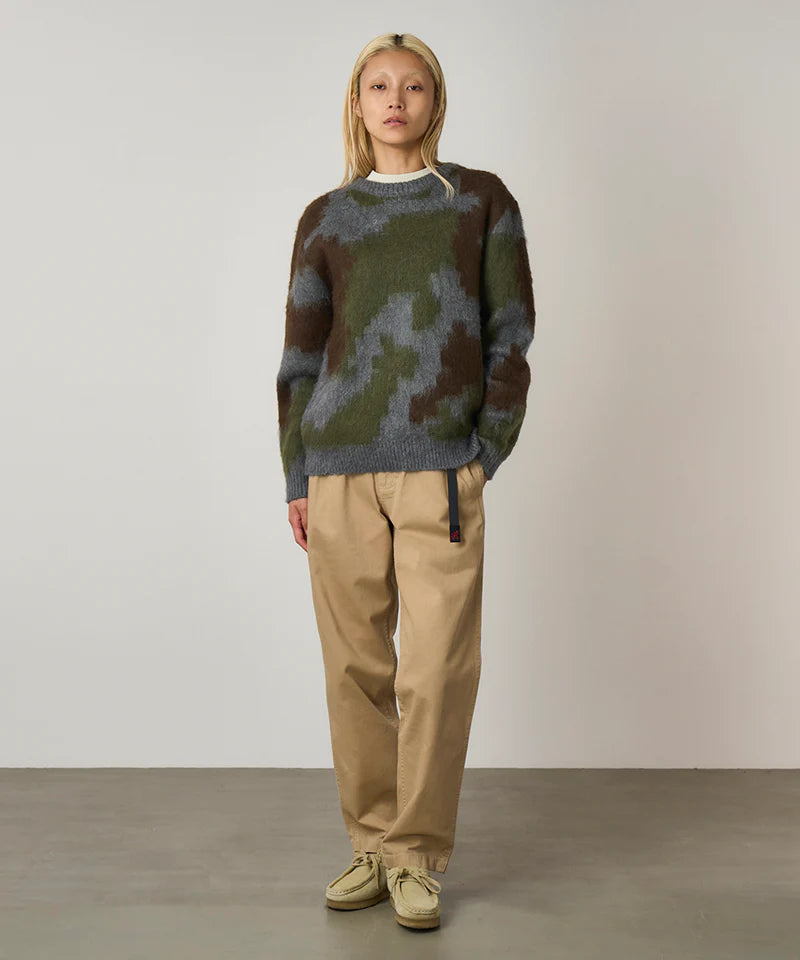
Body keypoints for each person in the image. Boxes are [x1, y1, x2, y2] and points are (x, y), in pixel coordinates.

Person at [276, 31, 536, 931]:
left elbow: (510, 336)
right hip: (338, 470)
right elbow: (300, 358)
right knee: (354, 669)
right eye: (379, 86)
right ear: (357, 103)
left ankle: (417, 854)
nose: (396, 100)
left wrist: (483, 452)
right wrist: (297, 475)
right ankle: (372, 845)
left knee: (436, 670)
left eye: (413, 86)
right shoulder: (325, 218)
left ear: (435, 100)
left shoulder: (480, 202)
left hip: (440, 472)